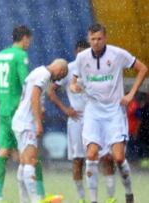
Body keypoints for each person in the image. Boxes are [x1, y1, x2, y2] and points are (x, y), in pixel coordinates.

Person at [71, 23, 148, 203]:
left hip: (114, 111)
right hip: (93, 112)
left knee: (118, 158)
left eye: (99, 39)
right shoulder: (82, 58)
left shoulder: (117, 54)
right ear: (89, 39)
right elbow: (74, 81)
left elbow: (143, 68)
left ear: (105, 38)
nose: (96, 42)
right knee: (91, 155)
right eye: (93, 39)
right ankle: (93, 200)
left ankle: (129, 193)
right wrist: (74, 87)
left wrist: (131, 94)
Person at [48, 40, 118, 203]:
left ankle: (110, 197)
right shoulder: (69, 69)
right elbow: (51, 91)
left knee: (106, 157)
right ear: (75, 53)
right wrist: (66, 109)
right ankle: (82, 199)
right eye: (79, 52)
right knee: (78, 160)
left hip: (97, 120)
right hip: (77, 121)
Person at [0, 25, 46, 203]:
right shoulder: (21, 56)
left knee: (4, 151)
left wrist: (4, 99)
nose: (29, 43)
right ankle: (40, 195)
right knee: (31, 154)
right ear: (25, 38)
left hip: (4, 110)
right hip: (19, 112)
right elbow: (26, 82)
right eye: (29, 40)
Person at [12, 59, 68, 203]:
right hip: (27, 123)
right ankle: (35, 200)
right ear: (60, 70)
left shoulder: (37, 71)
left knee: (24, 162)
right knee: (30, 160)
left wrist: (39, 109)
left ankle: (24, 199)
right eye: (61, 76)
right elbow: (34, 96)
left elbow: (28, 96)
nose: (59, 79)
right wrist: (38, 123)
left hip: (20, 120)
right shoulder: (44, 75)